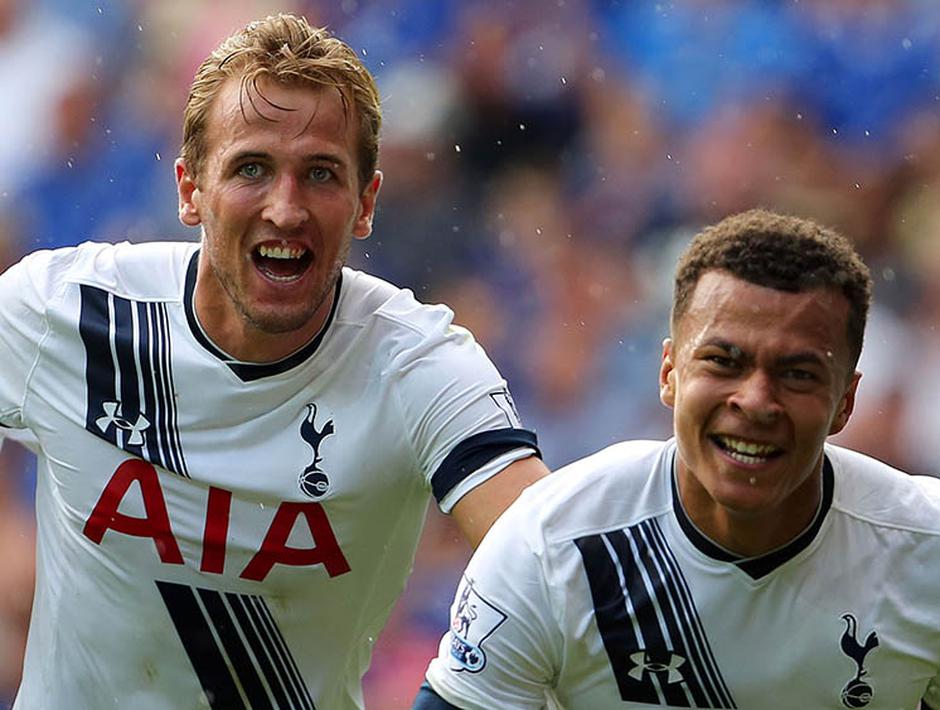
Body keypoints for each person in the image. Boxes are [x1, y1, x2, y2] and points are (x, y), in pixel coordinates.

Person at [0, 14, 548, 709]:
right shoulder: (67, 312)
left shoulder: (416, 364)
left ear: (365, 203)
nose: (286, 210)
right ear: (190, 189)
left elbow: (549, 565)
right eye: (251, 168)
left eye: (320, 173)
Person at [413, 209, 940, 709]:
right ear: (669, 373)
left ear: (845, 402)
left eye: (797, 373)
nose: (756, 401)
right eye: (723, 361)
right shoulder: (551, 546)